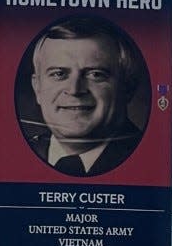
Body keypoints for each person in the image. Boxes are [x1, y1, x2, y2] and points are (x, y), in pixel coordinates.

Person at [22, 17, 146, 175]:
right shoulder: (17, 158)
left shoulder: (149, 160)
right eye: (59, 74)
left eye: (95, 74)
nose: (75, 90)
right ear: (37, 87)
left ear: (128, 87)